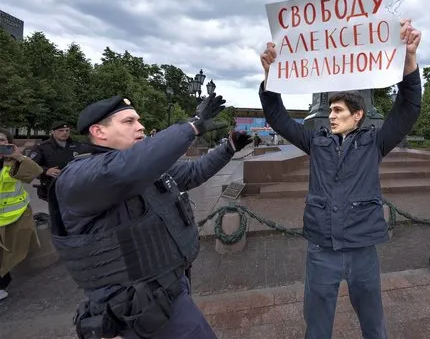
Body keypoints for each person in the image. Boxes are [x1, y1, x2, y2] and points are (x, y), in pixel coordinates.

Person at [258, 19, 422, 339]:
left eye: (338, 110)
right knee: (317, 331)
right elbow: (277, 117)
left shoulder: (375, 142)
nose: (330, 115)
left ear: (357, 115)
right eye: (330, 110)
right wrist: (269, 75)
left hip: (363, 252)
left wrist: (410, 60)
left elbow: (408, 107)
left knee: (374, 328)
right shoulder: (315, 142)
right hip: (322, 251)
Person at [49, 94, 252, 339]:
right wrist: (190, 126)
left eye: (138, 120)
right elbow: (123, 171)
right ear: (98, 131)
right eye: (128, 122)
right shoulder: (80, 176)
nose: (140, 126)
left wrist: (228, 148)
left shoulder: (141, 168)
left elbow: (193, 172)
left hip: (168, 290)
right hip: (136, 306)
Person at [0, 128, 44, 301]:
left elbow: (34, 173)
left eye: (3, 140)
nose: (0, 144)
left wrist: (19, 157)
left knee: (12, 253)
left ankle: (4, 280)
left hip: (16, 216)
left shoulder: (14, 161)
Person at [28, 121, 85, 201]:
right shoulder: (42, 147)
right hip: (53, 187)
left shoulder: (77, 145)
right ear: (52, 132)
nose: (65, 133)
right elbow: (29, 165)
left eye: (67, 130)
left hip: (75, 187)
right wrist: (46, 171)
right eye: (61, 130)